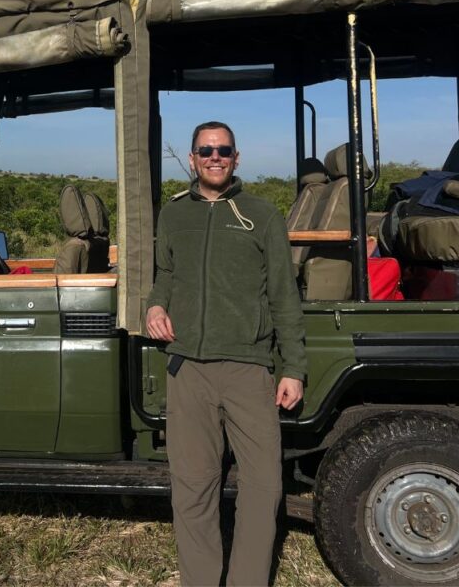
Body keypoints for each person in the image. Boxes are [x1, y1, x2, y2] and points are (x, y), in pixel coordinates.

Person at [145, 122, 306, 587]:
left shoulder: (263, 215)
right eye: (205, 150)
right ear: (192, 159)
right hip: (188, 369)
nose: (214, 157)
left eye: (223, 150)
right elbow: (165, 274)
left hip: (248, 368)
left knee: (263, 485)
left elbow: (284, 295)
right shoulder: (173, 214)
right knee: (193, 488)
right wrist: (155, 304)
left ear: (236, 158)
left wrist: (293, 368)